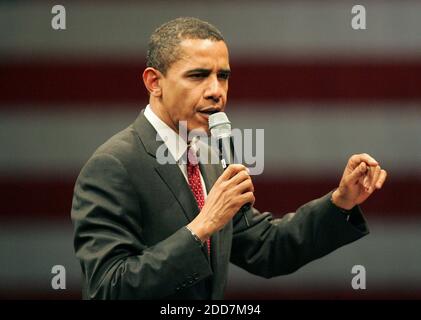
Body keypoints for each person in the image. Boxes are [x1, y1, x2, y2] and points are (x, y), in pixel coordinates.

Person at [71, 17, 387, 300]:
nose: (216, 91)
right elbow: (106, 289)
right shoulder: (113, 165)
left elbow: (267, 248)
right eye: (198, 76)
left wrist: (341, 201)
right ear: (155, 82)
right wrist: (202, 227)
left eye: (222, 76)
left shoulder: (209, 159)